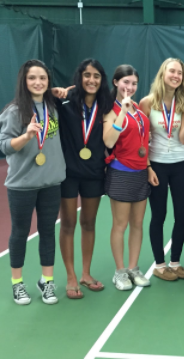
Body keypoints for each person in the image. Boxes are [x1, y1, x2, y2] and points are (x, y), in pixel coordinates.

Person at [0, 59, 66, 305]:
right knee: (19, 233)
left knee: (48, 231)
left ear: (48, 82)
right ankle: (17, 284)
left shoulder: (54, 107)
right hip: (22, 185)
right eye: (32, 78)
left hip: (51, 182)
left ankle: (46, 281)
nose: (38, 82)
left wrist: (56, 92)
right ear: (23, 81)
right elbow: (4, 145)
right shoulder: (14, 111)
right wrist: (26, 135)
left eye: (43, 78)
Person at [55, 59, 112, 299]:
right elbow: (34, 97)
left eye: (96, 76)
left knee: (89, 223)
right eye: (87, 75)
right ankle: (70, 276)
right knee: (68, 223)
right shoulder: (64, 102)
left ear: (102, 80)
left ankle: (86, 274)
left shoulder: (106, 104)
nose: (91, 80)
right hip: (67, 173)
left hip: (94, 172)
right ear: (79, 77)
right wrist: (51, 92)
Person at [139, 58, 184, 281]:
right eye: (172, 71)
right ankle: (160, 264)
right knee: (159, 215)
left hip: (181, 163)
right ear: (162, 74)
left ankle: (175, 261)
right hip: (156, 165)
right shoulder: (146, 103)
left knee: (182, 215)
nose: (176, 76)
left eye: (180, 73)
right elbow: (142, 138)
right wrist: (147, 167)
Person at [103, 64, 151, 291]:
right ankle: (120, 272)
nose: (130, 87)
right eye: (125, 82)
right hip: (121, 173)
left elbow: (144, 144)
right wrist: (122, 111)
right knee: (120, 225)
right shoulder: (111, 110)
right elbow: (109, 141)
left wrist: (149, 167)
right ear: (115, 82)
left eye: (133, 83)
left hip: (141, 174)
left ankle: (133, 269)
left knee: (138, 224)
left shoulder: (140, 112)